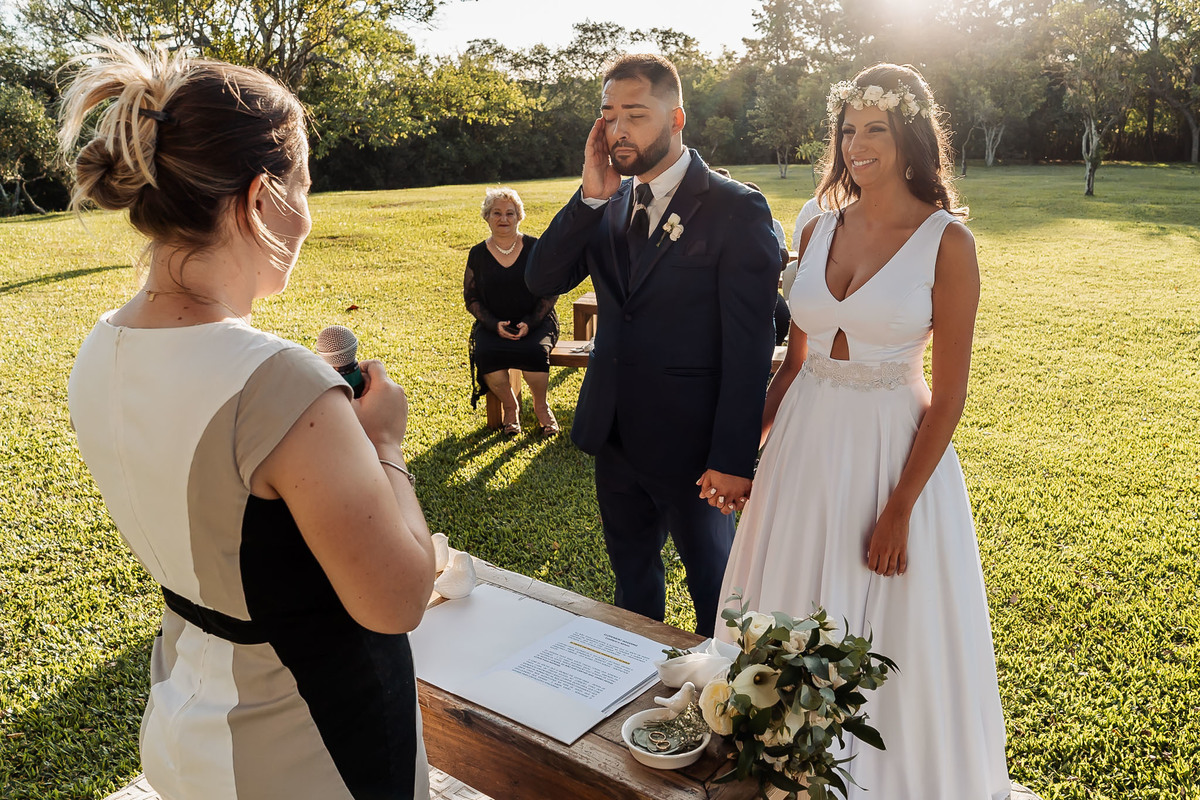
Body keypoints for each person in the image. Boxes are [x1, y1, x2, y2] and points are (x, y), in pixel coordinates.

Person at [62, 41, 435, 799]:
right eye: (306, 184)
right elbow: (396, 600)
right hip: (308, 747)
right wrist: (385, 441)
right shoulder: (279, 383)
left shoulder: (101, 347)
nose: (308, 214)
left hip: (185, 716)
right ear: (263, 197)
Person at [717, 64, 1011, 798]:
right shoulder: (815, 224)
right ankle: (781, 743)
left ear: (908, 136)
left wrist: (900, 507)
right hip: (805, 441)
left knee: (883, 619)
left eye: (874, 129)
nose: (856, 145)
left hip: (891, 448)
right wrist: (741, 452)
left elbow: (949, 396)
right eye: (848, 129)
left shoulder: (947, 243)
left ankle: (876, 770)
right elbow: (795, 359)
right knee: (788, 592)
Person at [527, 54, 779, 637]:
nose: (618, 129)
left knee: (716, 588)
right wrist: (588, 198)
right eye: (608, 115)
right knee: (631, 585)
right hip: (614, 434)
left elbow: (750, 345)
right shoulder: (607, 202)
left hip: (696, 451)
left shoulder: (736, 208)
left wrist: (733, 457)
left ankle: (725, 707)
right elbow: (540, 281)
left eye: (635, 115)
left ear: (676, 117)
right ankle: (635, 698)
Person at [464, 187, 560, 436]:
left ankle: (541, 406)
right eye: (496, 213)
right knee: (487, 353)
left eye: (510, 213)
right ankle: (510, 406)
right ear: (486, 216)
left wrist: (530, 321)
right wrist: (494, 324)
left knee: (534, 352)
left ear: (519, 216)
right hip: (494, 324)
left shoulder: (535, 247)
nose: (503, 219)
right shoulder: (477, 254)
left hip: (536, 321)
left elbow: (551, 290)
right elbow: (471, 297)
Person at [743, 180, 792, 346]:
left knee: (782, 317)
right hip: (738, 289)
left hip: (764, 286)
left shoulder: (772, 224)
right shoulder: (726, 225)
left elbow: (783, 260)